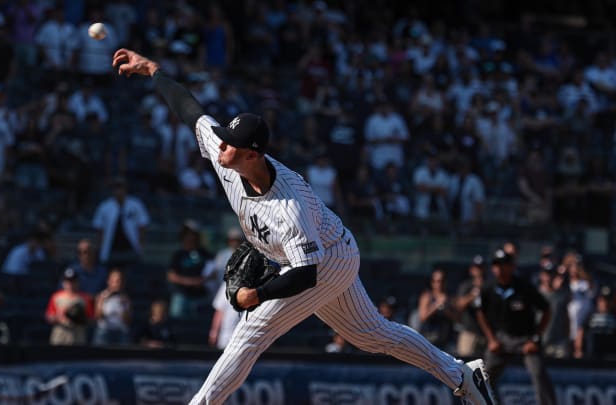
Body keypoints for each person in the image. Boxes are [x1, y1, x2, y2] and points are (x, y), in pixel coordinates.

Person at [111, 48, 498, 405]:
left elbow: (306, 275)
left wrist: (256, 295)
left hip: (324, 259)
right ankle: (463, 374)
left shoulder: (288, 204)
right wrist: (152, 70)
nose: (220, 146)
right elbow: (190, 111)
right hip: (317, 253)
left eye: (230, 144)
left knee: (252, 331)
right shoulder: (228, 156)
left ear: (252, 154)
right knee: (372, 335)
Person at [475, 249, 557, 405]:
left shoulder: (523, 287)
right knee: (483, 374)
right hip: (501, 338)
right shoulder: (488, 288)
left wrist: (535, 338)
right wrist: (491, 339)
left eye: (503, 265)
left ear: (511, 267)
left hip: (525, 338)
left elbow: (546, 310)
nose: (499, 269)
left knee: (538, 371)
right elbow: (480, 313)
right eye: (496, 265)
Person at [92, 177, 150, 267]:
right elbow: (100, 230)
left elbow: (142, 226)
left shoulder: (136, 205)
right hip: (111, 249)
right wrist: (99, 248)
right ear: (112, 190)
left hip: (131, 249)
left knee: (132, 276)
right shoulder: (105, 206)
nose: (119, 191)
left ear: (126, 189)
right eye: (116, 188)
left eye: (121, 187)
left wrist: (140, 246)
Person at [44, 267, 94, 345]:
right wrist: (60, 317)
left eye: (73, 281)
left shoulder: (85, 298)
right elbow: (49, 316)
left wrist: (80, 319)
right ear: (63, 282)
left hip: (78, 333)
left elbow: (91, 319)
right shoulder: (56, 297)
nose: (70, 284)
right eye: (67, 281)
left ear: (77, 282)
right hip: (61, 332)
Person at [92, 268, 132, 346]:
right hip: (104, 331)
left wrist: (124, 306)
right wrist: (101, 303)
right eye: (116, 281)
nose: (118, 284)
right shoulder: (101, 296)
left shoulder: (126, 298)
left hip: (120, 332)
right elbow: (97, 317)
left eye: (120, 281)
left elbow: (127, 322)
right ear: (109, 281)